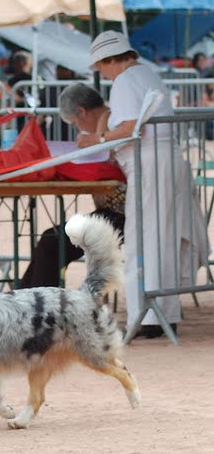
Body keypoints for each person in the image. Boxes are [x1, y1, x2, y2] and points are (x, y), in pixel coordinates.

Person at [78, 30, 208, 339]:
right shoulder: (146, 72)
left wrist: (97, 139)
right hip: (168, 160)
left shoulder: (124, 81)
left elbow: (125, 127)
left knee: (144, 237)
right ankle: (162, 312)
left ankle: (147, 316)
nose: (102, 74)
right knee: (163, 236)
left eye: (101, 67)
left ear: (110, 61)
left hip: (149, 163)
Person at [19, 83, 126, 289]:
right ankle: (27, 299)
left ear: (82, 112)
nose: (78, 128)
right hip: (116, 212)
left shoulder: (108, 125)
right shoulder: (109, 123)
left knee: (52, 242)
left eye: (75, 122)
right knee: (52, 240)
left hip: (122, 215)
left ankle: (35, 304)